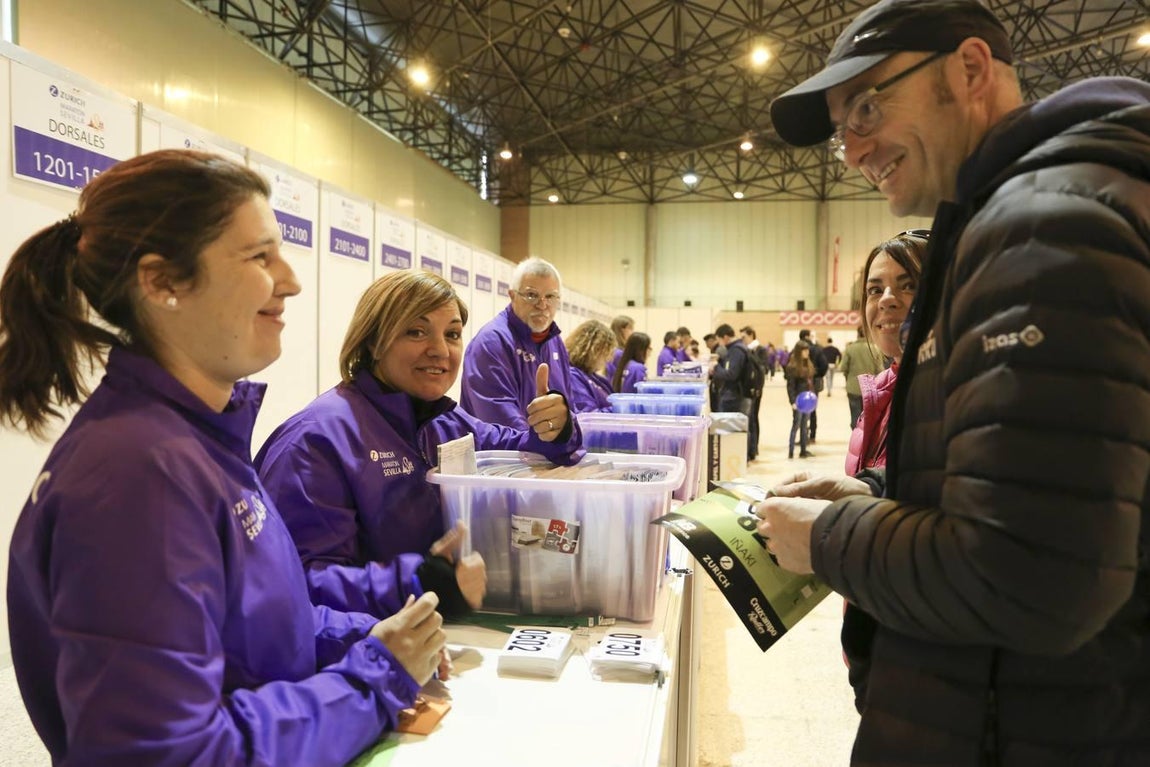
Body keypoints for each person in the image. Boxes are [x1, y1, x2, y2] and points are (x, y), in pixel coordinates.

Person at [761, 0, 1150, 762]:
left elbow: (1036, 577)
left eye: (869, 106)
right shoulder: (1004, 221)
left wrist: (831, 538)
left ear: (971, 70)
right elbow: (1046, 496)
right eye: (844, 127)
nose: (853, 148)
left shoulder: (1046, 225)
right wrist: (880, 498)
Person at [0, 150, 446, 766]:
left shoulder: (199, 439)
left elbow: (258, 631)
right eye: (259, 256)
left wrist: (367, 639)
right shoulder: (137, 476)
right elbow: (170, 756)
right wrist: (372, 679)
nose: (289, 280)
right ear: (162, 282)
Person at [256, 269, 583, 619]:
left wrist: (556, 429)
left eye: (453, 334)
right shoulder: (315, 441)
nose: (440, 350)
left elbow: (527, 453)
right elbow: (298, 584)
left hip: (436, 629)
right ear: (372, 341)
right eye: (416, 331)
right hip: (369, 650)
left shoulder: (444, 421)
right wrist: (416, 582)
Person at [844, 231, 926, 474]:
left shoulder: (960, 395)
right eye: (875, 290)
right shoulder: (879, 392)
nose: (886, 300)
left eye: (909, 285)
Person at [460, 256, 573, 429]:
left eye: (550, 296)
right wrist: (550, 444)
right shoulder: (491, 343)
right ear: (512, 296)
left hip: (546, 453)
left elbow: (568, 410)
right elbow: (503, 426)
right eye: (531, 295)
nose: (542, 305)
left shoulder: (555, 341)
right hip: (505, 453)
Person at [709, 324, 755, 461]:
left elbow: (731, 374)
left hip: (735, 396)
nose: (720, 344)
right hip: (736, 394)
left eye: (720, 340)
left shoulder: (736, 351)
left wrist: (716, 368)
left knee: (737, 429)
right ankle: (743, 455)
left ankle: (740, 457)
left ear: (726, 337)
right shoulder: (737, 349)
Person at [564, 319, 616, 413]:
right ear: (594, 350)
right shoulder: (572, 376)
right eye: (605, 354)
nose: (608, 359)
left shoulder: (590, 375)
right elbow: (588, 416)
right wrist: (620, 409)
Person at [839, 327, 883, 429]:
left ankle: (856, 439)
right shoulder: (875, 349)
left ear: (857, 334)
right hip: (869, 388)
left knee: (855, 416)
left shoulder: (850, 348)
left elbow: (843, 367)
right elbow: (880, 370)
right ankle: (866, 441)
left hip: (853, 387)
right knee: (868, 417)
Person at [739, 326, 769, 461]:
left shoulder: (760, 350)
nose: (742, 340)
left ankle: (753, 448)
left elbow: (762, 368)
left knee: (753, 419)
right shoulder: (747, 350)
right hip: (749, 389)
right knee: (751, 419)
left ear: (751, 335)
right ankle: (752, 448)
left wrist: (750, 353)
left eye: (744, 337)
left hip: (755, 390)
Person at [783, 341, 816, 459]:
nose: (807, 352)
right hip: (798, 400)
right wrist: (792, 402)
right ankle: (791, 451)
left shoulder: (808, 364)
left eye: (808, 350)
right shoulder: (792, 367)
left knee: (804, 425)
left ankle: (803, 450)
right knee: (796, 425)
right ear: (799, 352)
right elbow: (790, 386)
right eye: (804, 350)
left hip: (808, 400)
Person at [798, 328, 828, 442]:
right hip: (814, 383)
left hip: (800, 382)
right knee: (812, 408)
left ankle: (803, 436)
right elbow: (824, 365)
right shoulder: (817, 349)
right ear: (807, 336)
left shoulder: (797, 349)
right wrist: (817, 375)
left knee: (801, 408)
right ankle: (812, 435)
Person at [605, 314, 635, 380]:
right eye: (630, 328)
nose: (633, 332)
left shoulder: (615, 350)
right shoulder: (619, 353)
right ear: (622, 330)